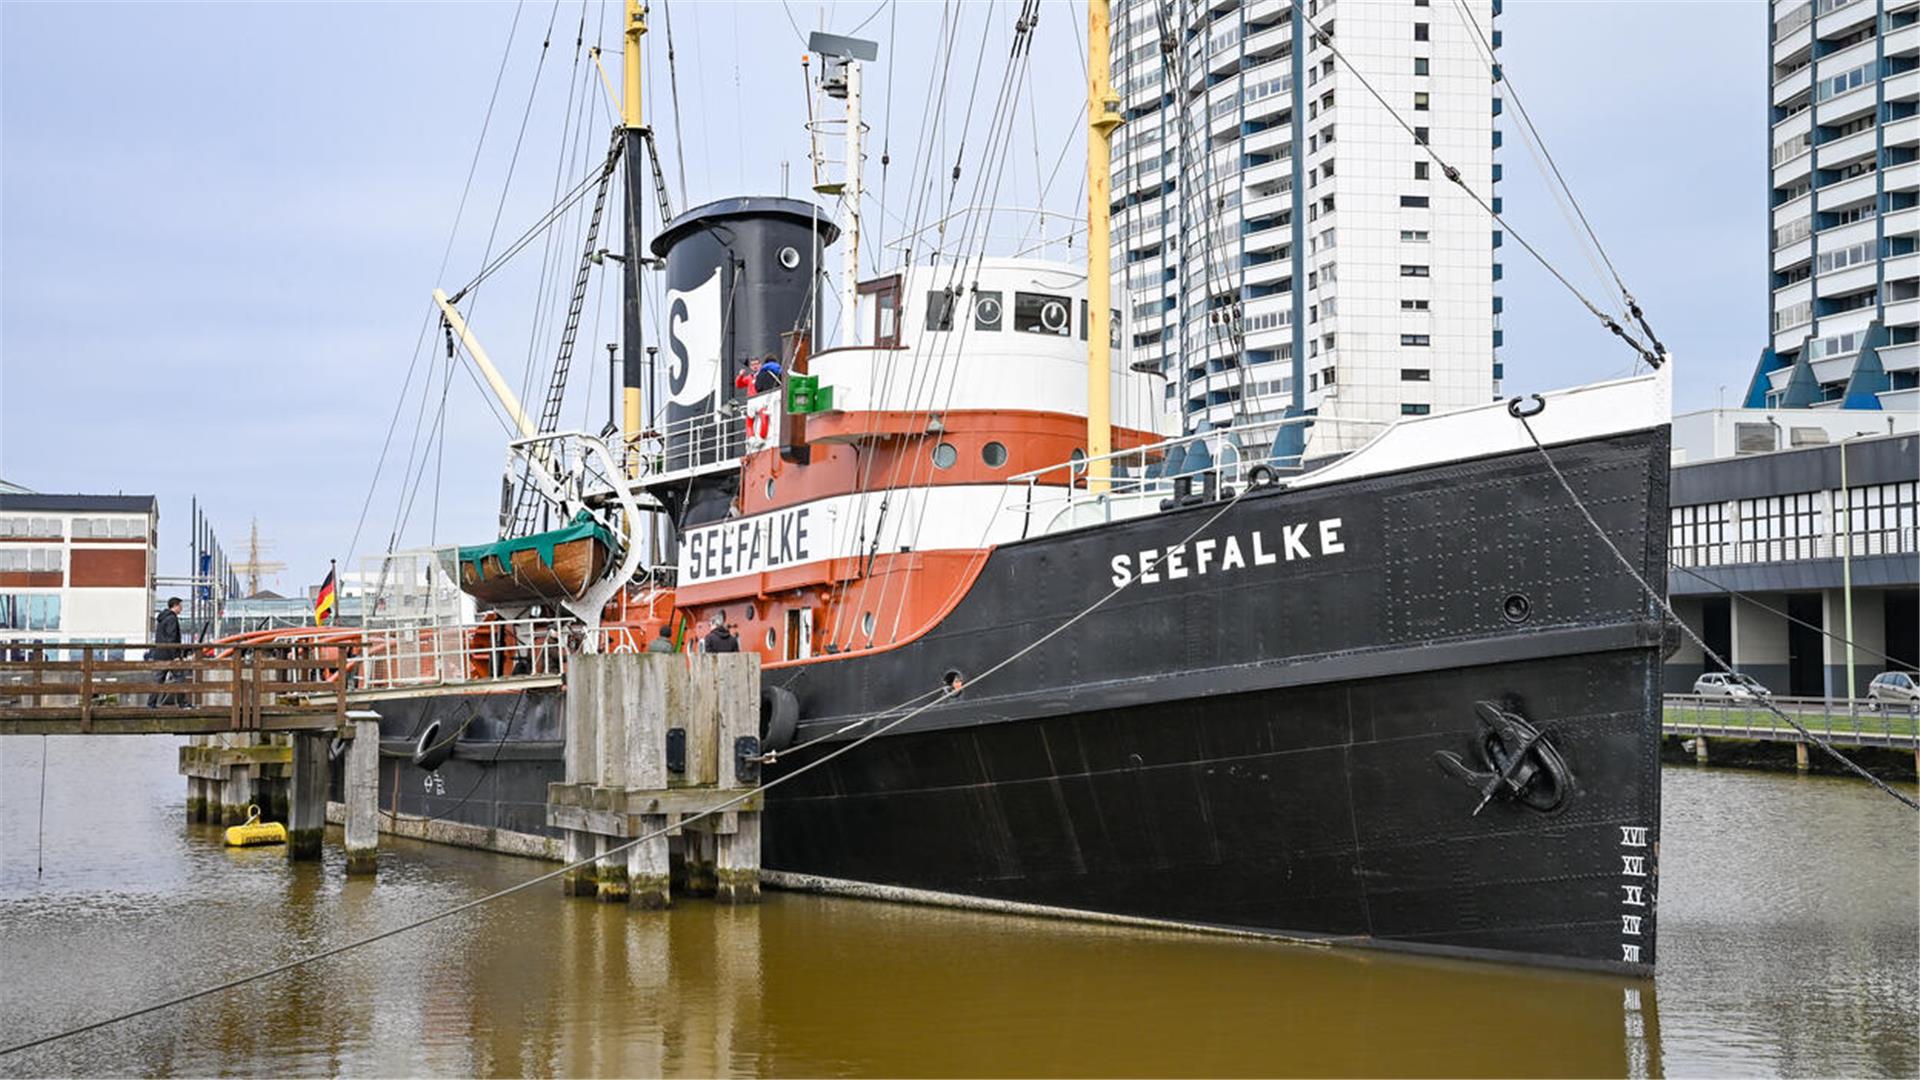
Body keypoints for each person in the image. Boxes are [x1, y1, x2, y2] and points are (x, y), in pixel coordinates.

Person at [148, 597, 184, 707]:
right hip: (170, 655)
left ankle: (151, 703)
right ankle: (182, 703)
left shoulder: (163, 618)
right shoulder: (172, 619)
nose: (181, 608)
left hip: (160, 653)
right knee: (180, 679)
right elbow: (171, 638)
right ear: (176, 606)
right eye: (180, 606)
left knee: (158, 680)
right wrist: (176, 656)